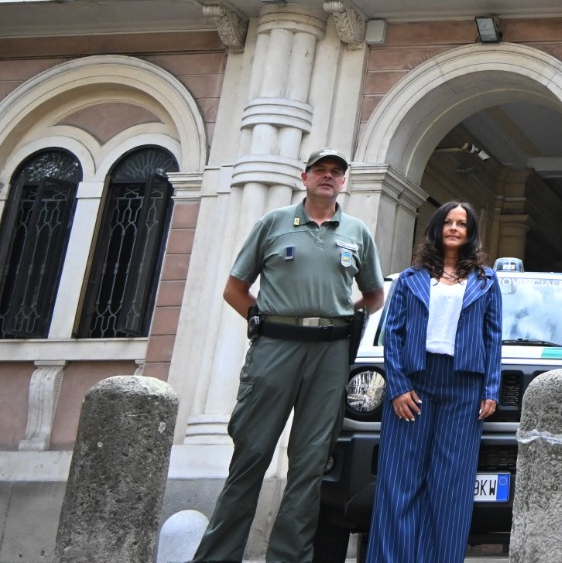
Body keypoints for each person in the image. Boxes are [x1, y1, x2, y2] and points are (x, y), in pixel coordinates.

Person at [193, 149, 384, 563]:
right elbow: (234, 289)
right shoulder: (274, 224)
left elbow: (373, 295)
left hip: (331, 354)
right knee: (252, 454)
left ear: (344, 181)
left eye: (336, 172)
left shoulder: (356, 232)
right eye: (320, 170)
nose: (328, 177)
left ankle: (288, 558)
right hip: (275, 349)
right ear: (305, 177)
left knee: (310, 464)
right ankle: (216, 557)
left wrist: (344, 318)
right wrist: (263, 322)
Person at [366, 201, 502, 563]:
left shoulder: (486, 281)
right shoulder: (410, 278)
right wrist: (397, 386)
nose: (454, 228)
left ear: (470, 232)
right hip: (414, 384)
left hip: (464, 389)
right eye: (448, 222)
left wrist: (491, 388)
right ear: (437, 228)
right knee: (400, 481)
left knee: (450, 488)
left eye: (462, 224)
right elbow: (392, 336)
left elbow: (493, 337)